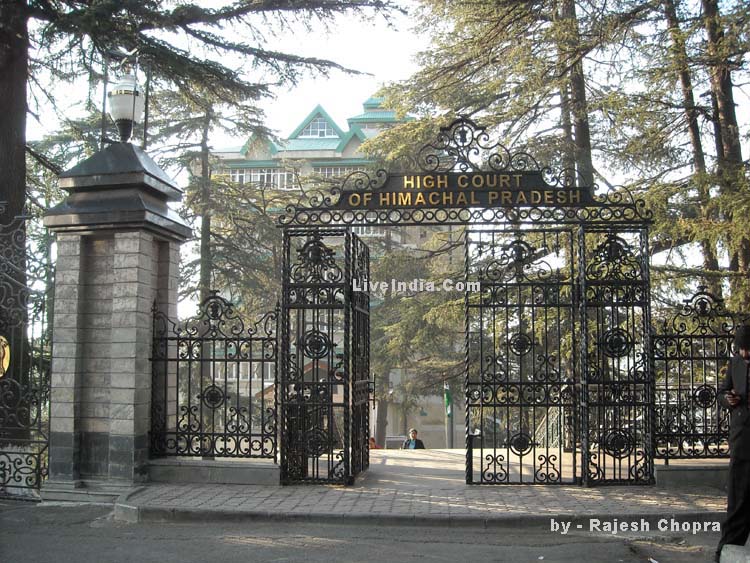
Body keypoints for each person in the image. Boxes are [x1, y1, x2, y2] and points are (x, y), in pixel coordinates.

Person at [716, 324, 750, 562]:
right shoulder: (735, 363)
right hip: (742, 436)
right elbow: (722, 391)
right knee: (738, 496)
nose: (745, 354)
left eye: (749, 349)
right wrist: (728, 400)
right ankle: (727, 548)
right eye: (742, 349)